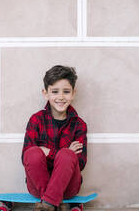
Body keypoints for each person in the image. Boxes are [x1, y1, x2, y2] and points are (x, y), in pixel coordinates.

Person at [22, 65, 88, 211]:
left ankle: (47, 204)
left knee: (67, 155)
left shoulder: (79, 125)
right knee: (33, 152)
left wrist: (51, 153)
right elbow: (25, 157)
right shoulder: (36, 120)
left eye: (66, 91)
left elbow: (81, 162)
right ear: (45, 94)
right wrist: (51, 152)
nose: (61, 97)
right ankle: (52, 202)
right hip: (38, 186)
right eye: (55, 91)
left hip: (68, 187)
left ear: (73, 93)